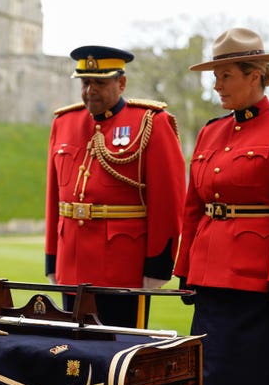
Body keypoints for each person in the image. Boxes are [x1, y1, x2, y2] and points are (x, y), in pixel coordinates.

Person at [173, 27, 269, 385]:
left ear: (255, 75)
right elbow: (193, 207)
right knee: (207, 380)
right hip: (208, 276)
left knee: (253, 382)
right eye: (214, 77)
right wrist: (184, 268)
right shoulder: (209, 131)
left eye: (225, 76)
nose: (216, 86)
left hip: (258, 280)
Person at [44, 45, 186, 328]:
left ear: (121, 83)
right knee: (73, 352)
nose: (90, 91)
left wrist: (158, 265)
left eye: (100, 82)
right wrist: (52, 258)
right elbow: (54, 198)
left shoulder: (150, 122)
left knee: (120, 354)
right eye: (85, 83)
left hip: (123, 268)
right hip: (71, 265)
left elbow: (169, 200)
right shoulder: (64, 123)